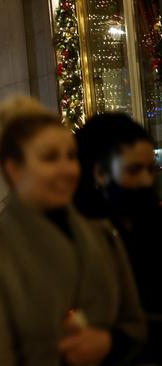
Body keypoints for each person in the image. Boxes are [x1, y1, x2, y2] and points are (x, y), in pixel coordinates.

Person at [0, 96, 146, 366]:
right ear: (14, 168)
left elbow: (135, 325)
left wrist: (109, 342)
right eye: (50, 158)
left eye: (71, 156)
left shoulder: (101, 233)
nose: (67, 169)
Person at [74, 112, 162, 365]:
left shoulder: (152, 222)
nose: (146, 180)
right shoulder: (79, 232)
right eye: (133, 170)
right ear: (101, 173)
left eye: (150, 169)